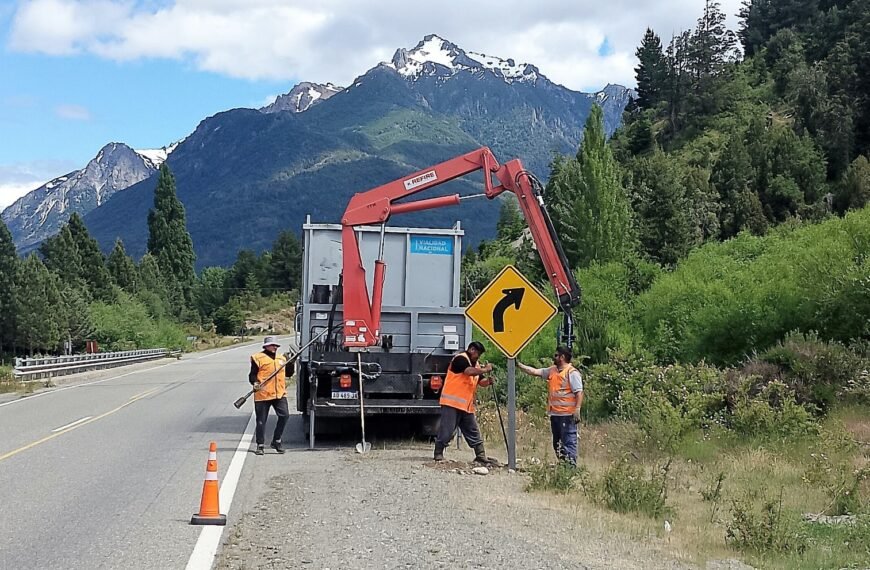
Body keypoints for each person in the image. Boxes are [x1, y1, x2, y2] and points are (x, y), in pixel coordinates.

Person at [434, 341, 497, 465]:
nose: (478, 357)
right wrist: (485, 369)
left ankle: (480, 455)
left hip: (466, 405)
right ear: (472, 349)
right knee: (447, 430)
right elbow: (468, 372)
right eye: (477, 353)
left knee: (473, 430)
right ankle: (438, 453)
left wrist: (488, 381)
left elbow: (480, 382)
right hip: (451, 402)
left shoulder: (476, 365)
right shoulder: (460, 359)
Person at [518, 346, 584, 465]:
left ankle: (570, 467)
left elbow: (579, 392)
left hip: (567, 414)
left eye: (556, 355)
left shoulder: (572, 373)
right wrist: (519, 365)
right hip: (555, 414)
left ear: (562, 357)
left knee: (568, 441)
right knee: (557, 443)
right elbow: (535, 372)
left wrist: (577, 409)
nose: (554, 357)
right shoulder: (553, 370)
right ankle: (563, 465)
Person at [249, 336, 290, 455]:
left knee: (285, 416)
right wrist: (255, 382)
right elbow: (252, 375)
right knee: (261, 421)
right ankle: (260, 445)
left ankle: (276, 441)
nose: (275, 347)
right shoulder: (258, 358)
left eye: (276, 345)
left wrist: (291, 362)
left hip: (279, 394)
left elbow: (289, 373)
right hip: (263, 394)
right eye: (272, 345)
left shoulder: (282, 359)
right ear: (266, 346)